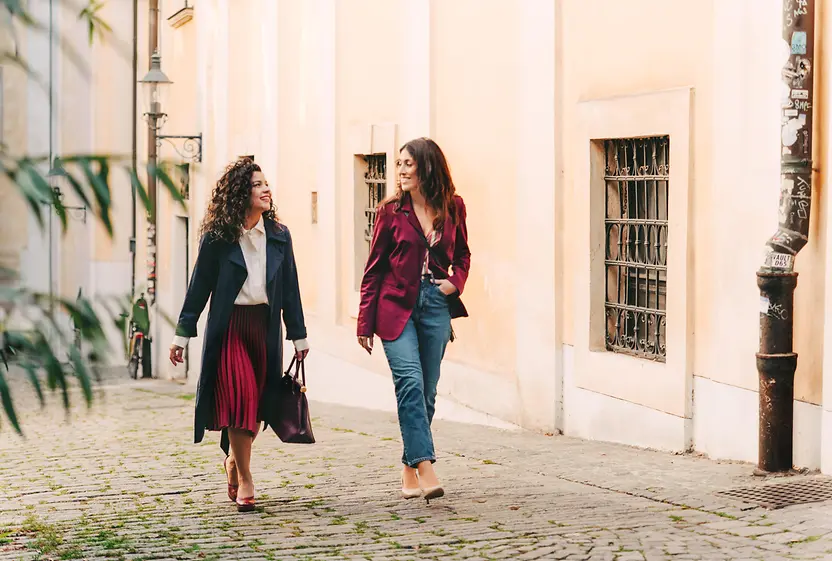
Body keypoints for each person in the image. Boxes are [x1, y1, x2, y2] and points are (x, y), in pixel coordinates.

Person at [169, 157, 309, 512]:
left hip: (264, 328)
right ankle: (246, 478)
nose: (266, 189)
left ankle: (234, 460)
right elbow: (198, 288)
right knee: (239, 397)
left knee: (257, 405)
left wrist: (299, 336)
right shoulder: (218, 238)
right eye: (256, 184)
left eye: (266, 183)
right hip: (230, 327)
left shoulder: (279, 236)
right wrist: (182, 335)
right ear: (239, 194)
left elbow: (290, 288)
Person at [357, 137, 471, 503]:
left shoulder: (453, 207)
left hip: (435, 304)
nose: (401, 170)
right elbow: (374, 269)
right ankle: (425, 466)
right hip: (395, 307)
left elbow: (463, 255)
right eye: (399, 164)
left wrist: (455, 283)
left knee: (427, 391)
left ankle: (409, 465)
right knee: (409, 382)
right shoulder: (390, 211)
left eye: (408, 164)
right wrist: (364, 321)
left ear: (427, 167)